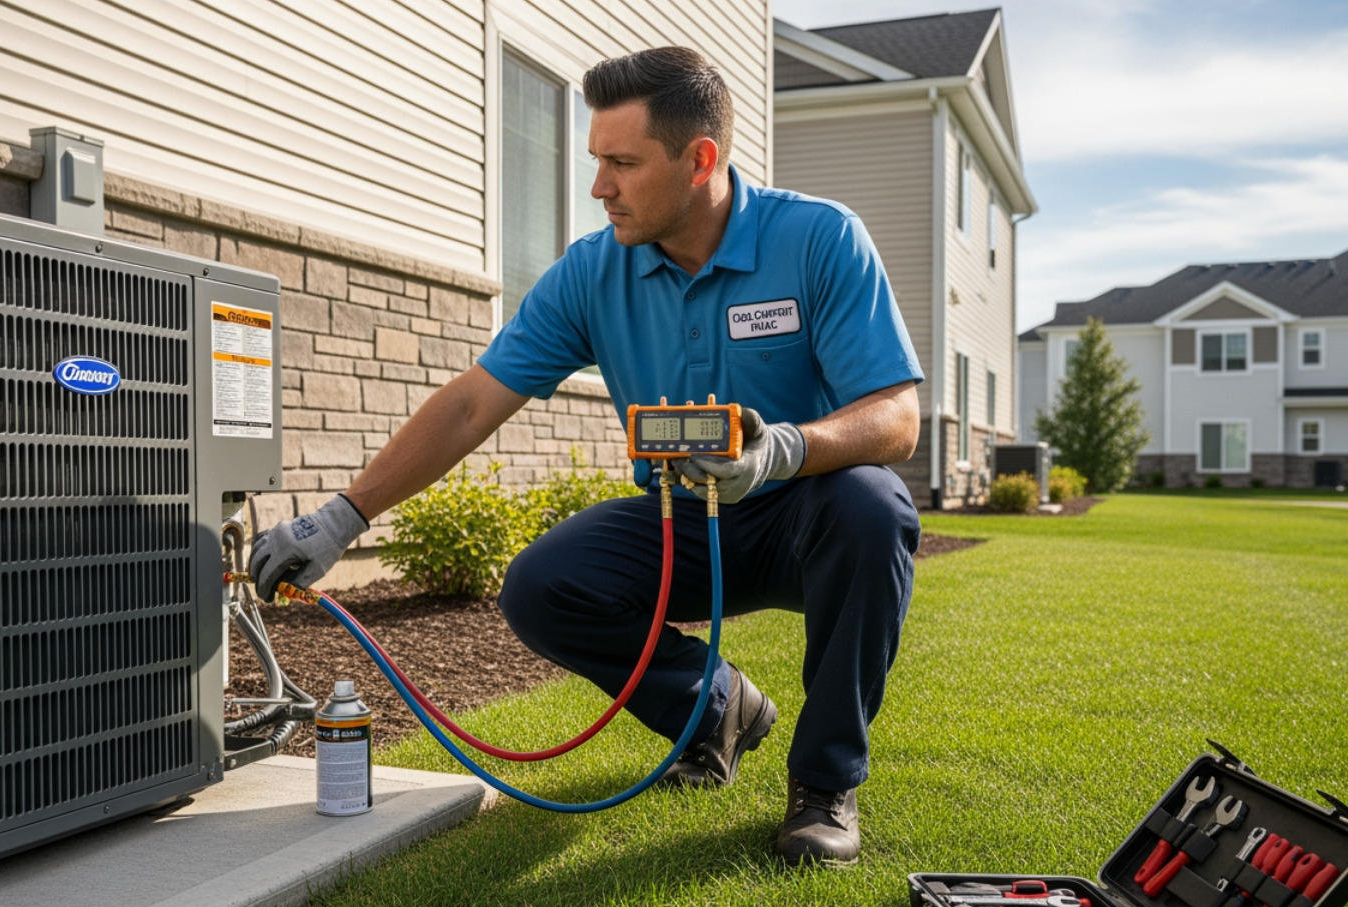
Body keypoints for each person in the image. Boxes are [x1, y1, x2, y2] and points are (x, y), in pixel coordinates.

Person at [249, 46, 923, 865]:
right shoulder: (592, 272)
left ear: (699, 159)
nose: (598, 185)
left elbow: (896, 415)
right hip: (684, 519)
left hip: (807, 511)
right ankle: (716, 712)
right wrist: (341, 518)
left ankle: (823, 785)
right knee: (542, 584)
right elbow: (471, 404)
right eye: (596, 160)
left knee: (873, 506)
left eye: (621, 163)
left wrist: (781, 449)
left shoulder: (817, 239)